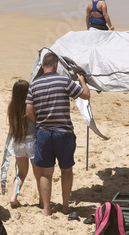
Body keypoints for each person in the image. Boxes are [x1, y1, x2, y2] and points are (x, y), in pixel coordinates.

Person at [25, 52, 90, 216]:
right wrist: (82, 81)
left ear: (41, 66)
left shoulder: (33, 85)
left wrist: (39, 123)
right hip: (63, 132)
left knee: (46, 172)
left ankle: (47, 210)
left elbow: (29, 111)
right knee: (66, 170)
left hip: (44, 132)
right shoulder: (64, 81)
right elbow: (85, 95)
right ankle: (65, 206)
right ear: (56, 66)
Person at [7, 79, 39, 208]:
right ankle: (43, 200)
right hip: (32, 141)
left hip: (18, 141)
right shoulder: (31, 106)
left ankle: (14, 196)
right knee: (39, 174)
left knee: (21, 173)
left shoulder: (12, 107)